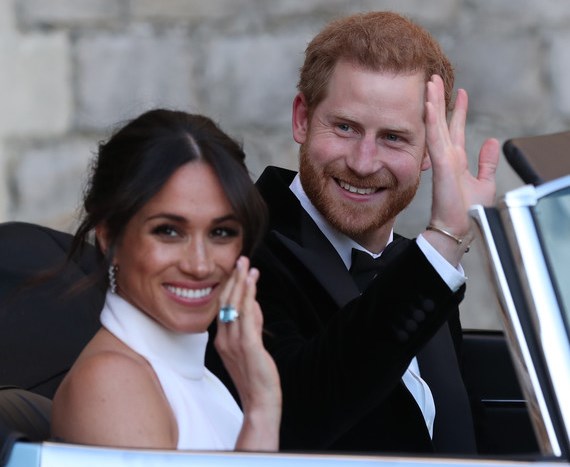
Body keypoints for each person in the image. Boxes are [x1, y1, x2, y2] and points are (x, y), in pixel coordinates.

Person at [205, 11, 500, 454]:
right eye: (345, 127)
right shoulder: (237, 246)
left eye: (394, 138)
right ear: (302, 118)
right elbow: (293, 417)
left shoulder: (416, 265)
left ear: (428, 151)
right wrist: (443, 242)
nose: (363, 162)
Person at [50, 109, 281, 451]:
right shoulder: (112, 383)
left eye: (221, 232)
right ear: (109, 236)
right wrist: (262, 412)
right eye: (169, 231)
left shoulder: (199, 378)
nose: (200, 265)